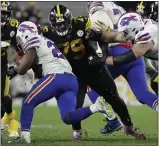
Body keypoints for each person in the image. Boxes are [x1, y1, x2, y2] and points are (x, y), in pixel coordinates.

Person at [42, 4, 146, 140]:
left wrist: (101, 54)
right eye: (58, 24)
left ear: (70, 20)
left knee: (114, 98)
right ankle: (77, 132)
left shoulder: (82, 23)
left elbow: (102, 37)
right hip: (72, 75)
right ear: (52, 24)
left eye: (64, 24)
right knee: (74, 106)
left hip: (93, 69)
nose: (61, 27)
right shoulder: (46, 33)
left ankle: (129, 126)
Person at [7, 21, 106, 143]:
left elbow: (23, 67)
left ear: (24, 34)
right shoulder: (45, 40)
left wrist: (16, 68)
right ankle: (96, 107)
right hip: (71, 80)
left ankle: (25, 137)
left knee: (28, 101)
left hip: (56, 76)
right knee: (68, 117)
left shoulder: (32, 39)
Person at [86, 1, 158, 135]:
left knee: (90, 83)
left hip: (119, 52)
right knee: (143, 93)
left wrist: (101, 59)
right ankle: (129, 125)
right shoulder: (124, 12)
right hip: (135, 54)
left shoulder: (99, 11)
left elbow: (104, 37)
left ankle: (113, 120)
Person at [1, 1, 20, 139]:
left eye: (6, 14)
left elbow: (20, 48)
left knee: (3, 97)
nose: (3, 16)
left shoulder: (12, 26)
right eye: (1, 13)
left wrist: (21, 64)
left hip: (1, 65)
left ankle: (10, 118)